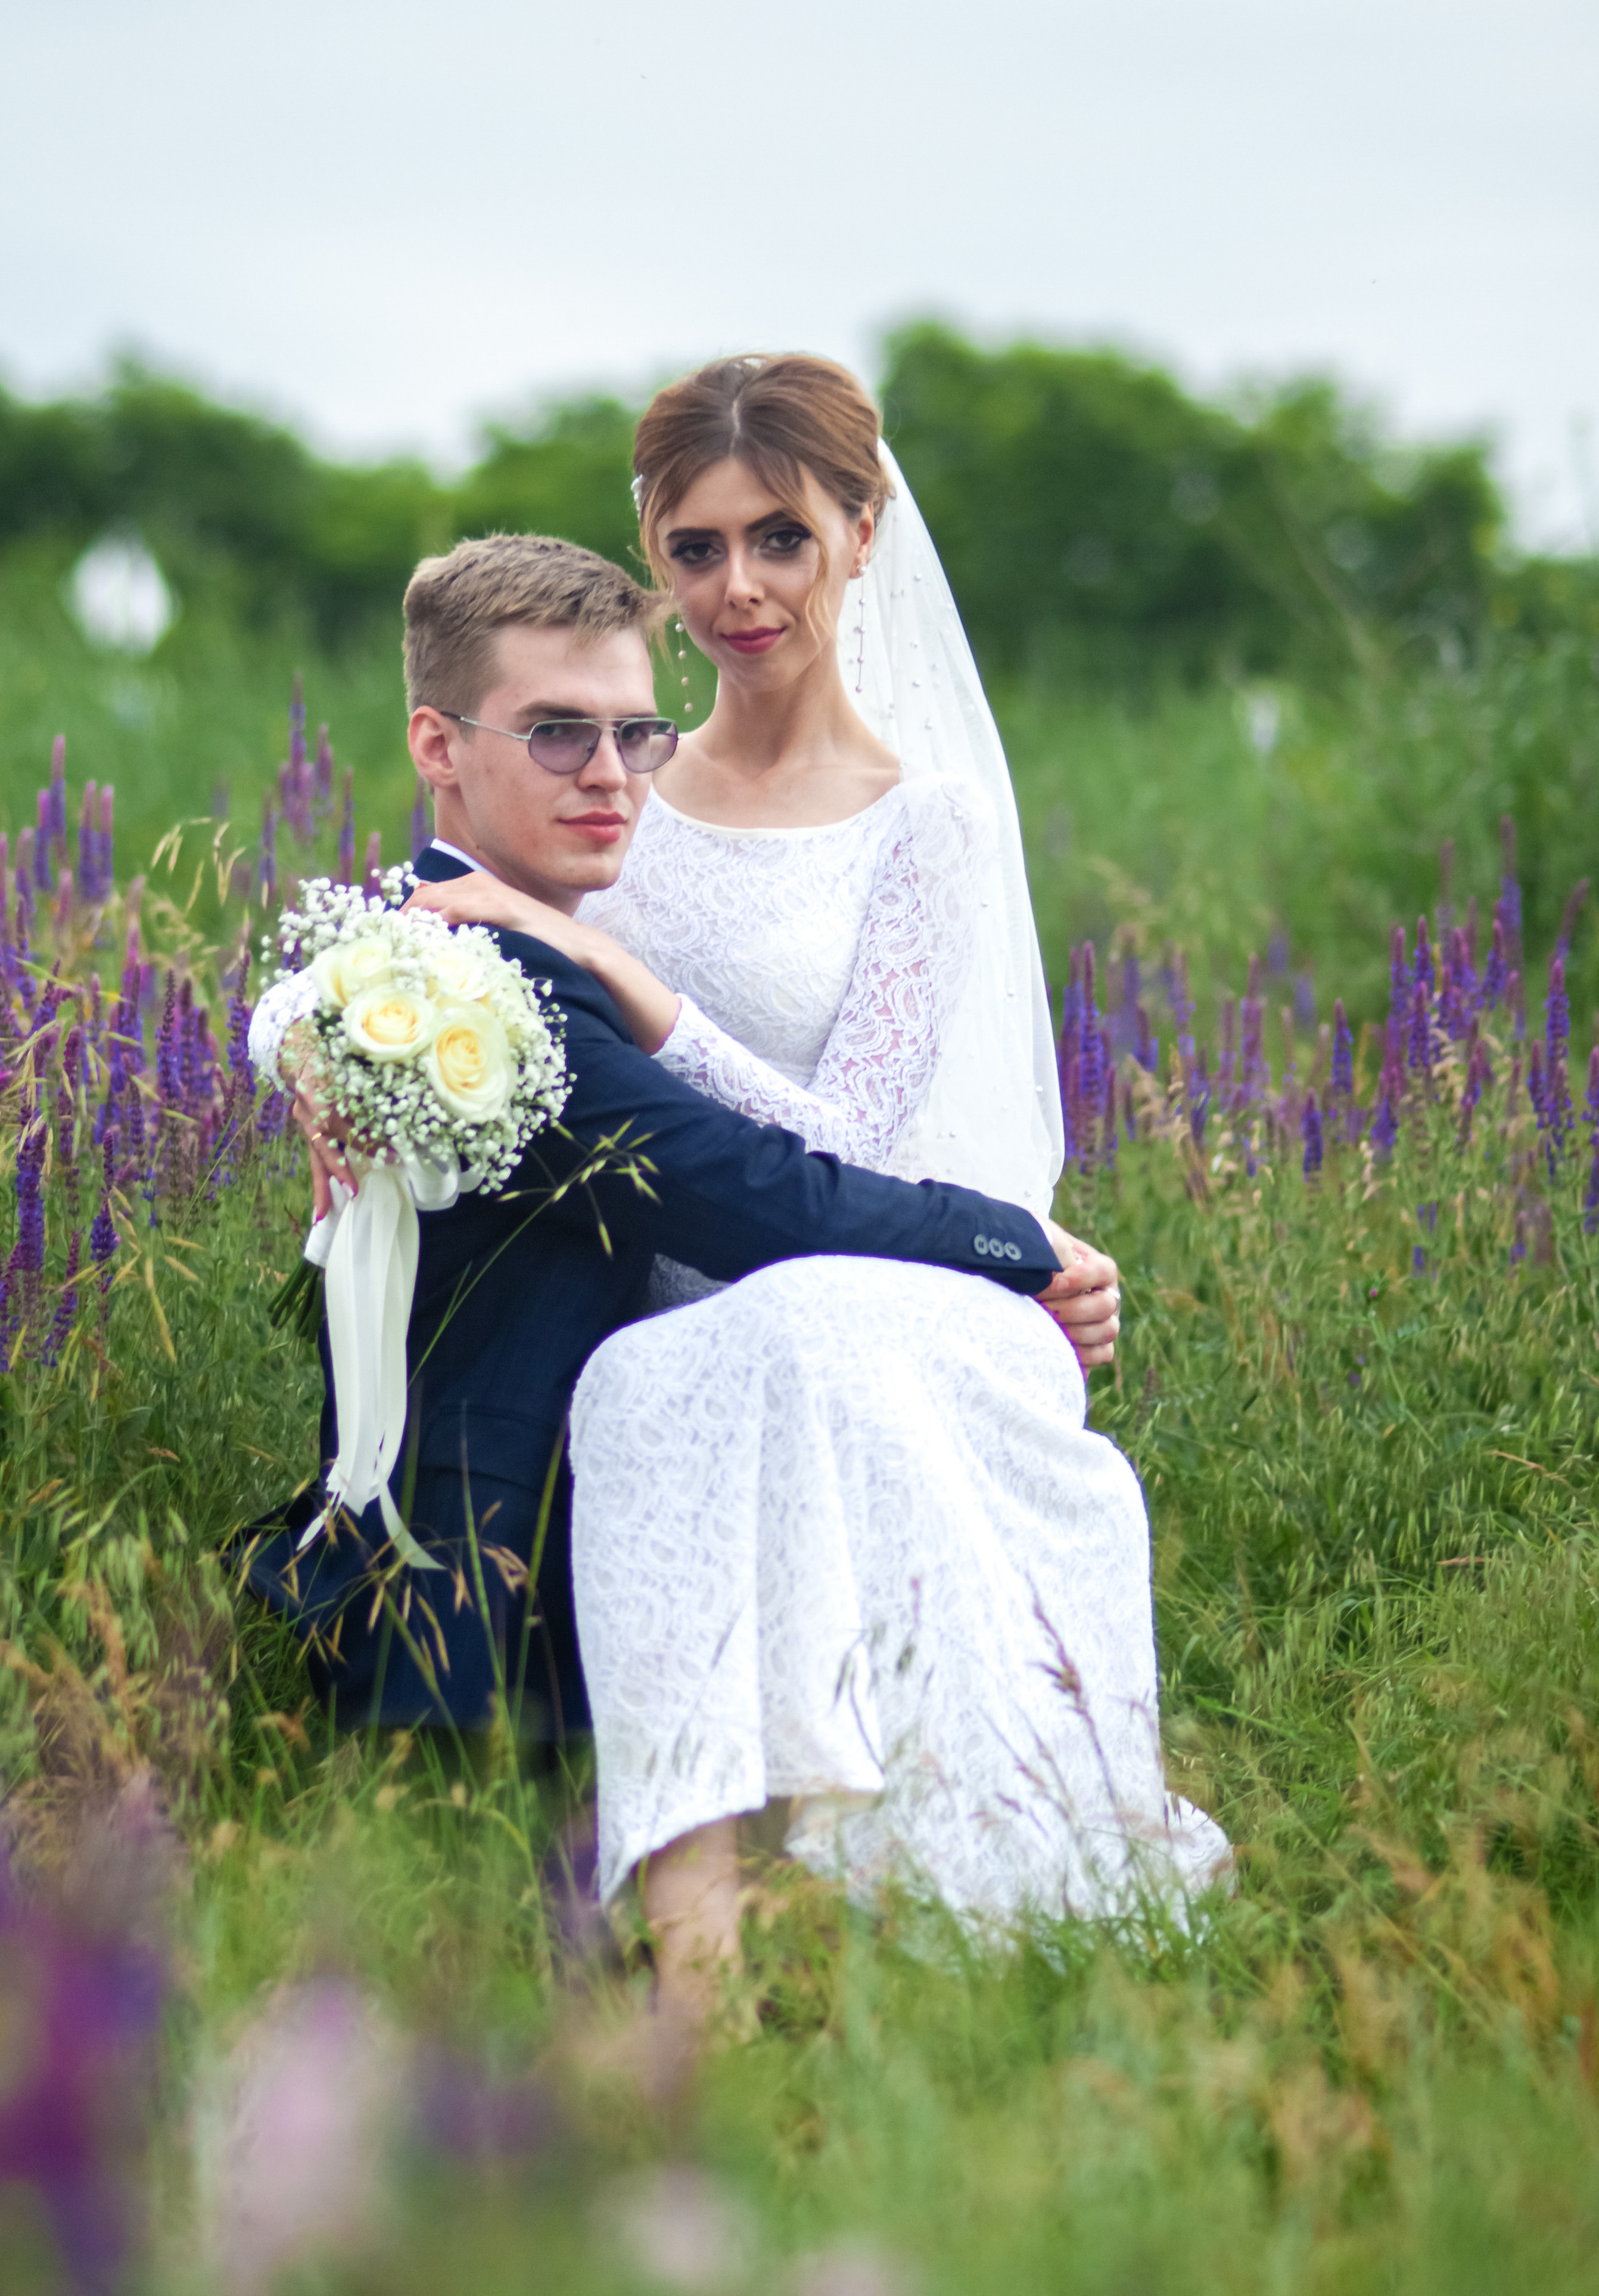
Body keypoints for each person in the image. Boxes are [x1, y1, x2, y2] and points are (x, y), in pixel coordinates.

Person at [409, 358, 1230, 2017]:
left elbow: (851, 1143)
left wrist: (638, 988)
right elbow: (440, 930)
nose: (739, 588)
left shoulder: (922, 825)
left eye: (779, 537)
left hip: (882, 1281)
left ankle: (850, 1890)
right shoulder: (615, 783)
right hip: (677, 1300)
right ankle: (698, 1953)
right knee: (662, 1370)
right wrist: (330, 1057)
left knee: (762, 1345)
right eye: (695, 548)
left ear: (860, 533)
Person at [235, 536, 1103, 1810]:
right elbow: (761, 1198)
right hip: (472, 1596)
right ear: (437, 747)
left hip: (528, 1559)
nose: (609, 774)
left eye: (637, 734)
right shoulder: (489, 990)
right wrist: (1016, 1243)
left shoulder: (431, 960)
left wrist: (287, 1029)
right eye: (556, 733)